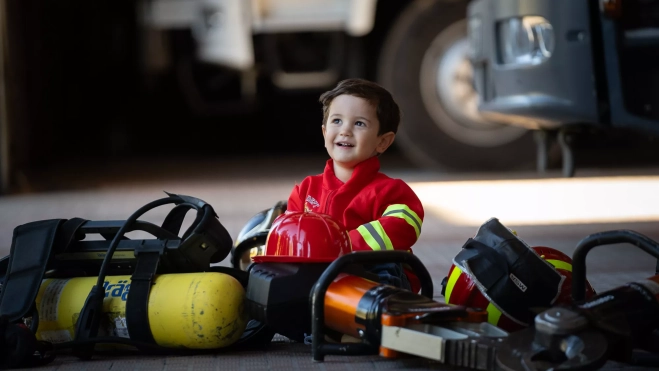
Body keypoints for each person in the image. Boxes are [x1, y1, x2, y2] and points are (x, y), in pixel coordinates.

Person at [286, 78, 424, 292]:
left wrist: (344, 244)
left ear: (383, 141)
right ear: (324, 133)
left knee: (385, 268)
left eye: (359, 123)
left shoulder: (390, 190)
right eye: (337, 121)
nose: (345, 131)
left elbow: (403, 224)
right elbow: (289, 235)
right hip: (319, 276)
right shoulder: (305, 190)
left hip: (372, 276)